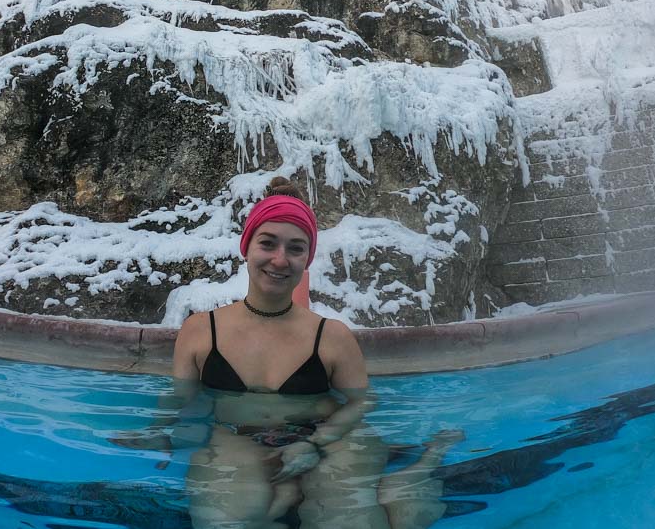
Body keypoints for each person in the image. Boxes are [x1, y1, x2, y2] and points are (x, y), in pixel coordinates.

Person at [170, 177, 460, 528]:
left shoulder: (331, 336)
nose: (280, 260)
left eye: (295, 248)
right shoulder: (201, 330)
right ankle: (294, 494)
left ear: (307, 258)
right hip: (237, 440)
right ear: (246, 247)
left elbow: (361, 402)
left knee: (351, 520)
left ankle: (423, 464)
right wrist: (156, 434)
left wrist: (316, 444)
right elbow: (180, 402)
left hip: (330, 440)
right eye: (268, 244)